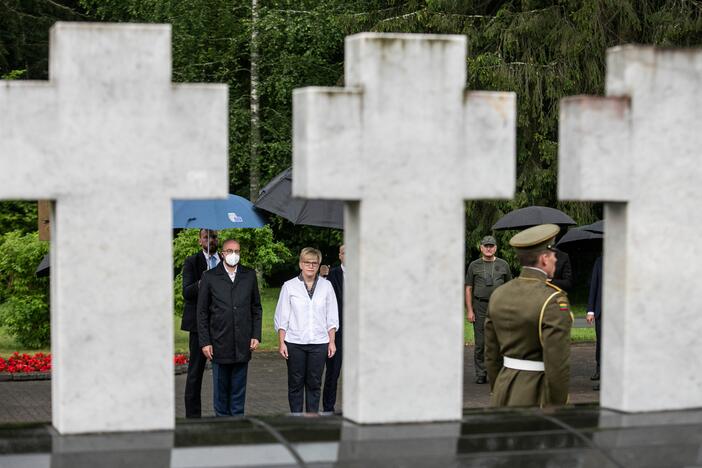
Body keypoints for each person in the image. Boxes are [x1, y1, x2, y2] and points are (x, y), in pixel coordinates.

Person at [484, 224, 573, 407]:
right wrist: (558, 405)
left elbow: (491, 354)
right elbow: (557, 365)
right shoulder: (553, 300)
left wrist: (498, 387)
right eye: (553, 254)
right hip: (537, 394)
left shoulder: (499, 294)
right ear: (544, 258)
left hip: (502, 389)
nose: (556, 259)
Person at [197, 238, 262, 416]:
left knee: (238, 391)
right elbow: (202, 313)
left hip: (242, 343)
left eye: (237, 251)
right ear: (222, 253)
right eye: (230, 251)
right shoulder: (209, 277)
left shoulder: (249, 275)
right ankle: (222, 426)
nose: (234, 254)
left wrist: (256, 335)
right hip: (219, 343)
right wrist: (205, 342)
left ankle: (238, 425)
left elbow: (256, 307)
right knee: (221, 392)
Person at [274, 247, 339, 414]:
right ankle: (296, 418)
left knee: (314, 383)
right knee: (295, 383)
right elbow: (282, 317)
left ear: (319, 266)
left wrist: (331, 341)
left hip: (319, 343)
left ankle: (311, 420)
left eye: (314, 263)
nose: (311, 266)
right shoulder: (289, 286)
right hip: (295, 342)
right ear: (300, 264)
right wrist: (281, 342)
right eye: (307, 262)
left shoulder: (327, 286)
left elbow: (331, 317)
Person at [181, 228, 220, 418]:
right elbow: (186, 292)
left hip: (222, 326)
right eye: (206, 237)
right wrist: (203, 280)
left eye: (213, 237)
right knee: (195, 374)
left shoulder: (225, 260)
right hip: (198, 327)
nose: (210, 240)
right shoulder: (192, 262)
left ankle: (223, 415)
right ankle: (193, 418)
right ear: (200, 241)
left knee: (223, 372)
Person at [465, 235, 512, 384]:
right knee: (480, 343)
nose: (489, 248)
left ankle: (498, 372)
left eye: (491, 246)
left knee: (499, 341)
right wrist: (470, 310)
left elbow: (509, 287)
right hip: (480, 306)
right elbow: (468, 288)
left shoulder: (503, 264)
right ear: (481, 248)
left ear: (496, 248)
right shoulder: (474, 265)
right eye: (486, 246)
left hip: (498, 306)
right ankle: (481, 373)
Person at [322, 245, 345, 414]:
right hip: (338, 331)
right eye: (345, 252)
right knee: (333, 371)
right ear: (340, 255)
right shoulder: (333, 275)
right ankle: (328, 407)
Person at [587, 255, 603, 390]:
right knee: (602, 343)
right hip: (601, 311)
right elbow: (594, 284)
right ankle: (600, 369)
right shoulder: (599, 260)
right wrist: (590, 310)